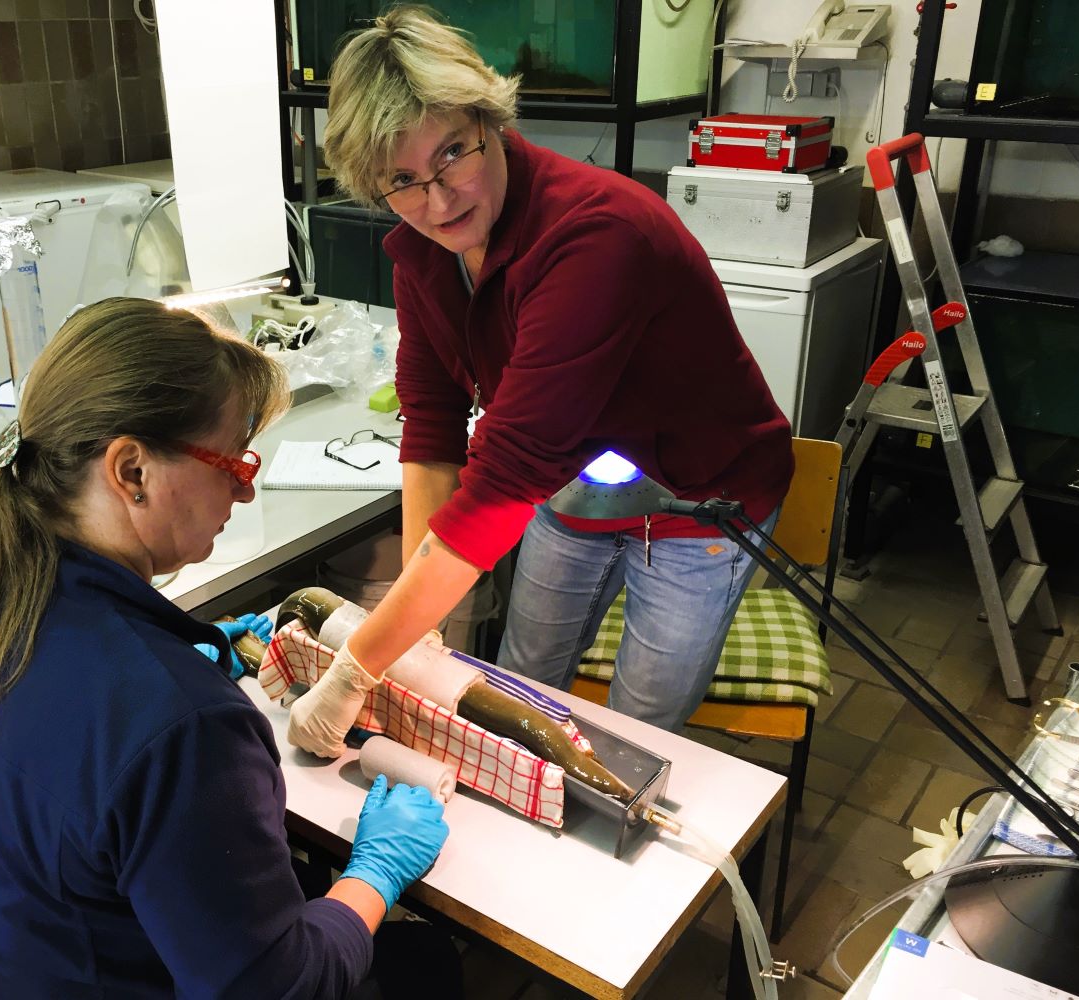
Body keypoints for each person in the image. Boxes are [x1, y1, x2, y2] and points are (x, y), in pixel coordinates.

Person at [0, 297, 451, 999]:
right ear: (131, 471)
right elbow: (280, 989)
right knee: (422, 965)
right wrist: (374, 872)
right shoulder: (183, 727)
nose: (244, 494)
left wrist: (185, 655)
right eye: (232, 463)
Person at [287, 7, 794, 757]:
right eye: (401, 180)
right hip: (579, 482)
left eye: (453, 153)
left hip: (699, 500)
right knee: (517, 689)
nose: (439, 200)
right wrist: (418, 627)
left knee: (633, 731)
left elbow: (507, 470)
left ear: (490, 119)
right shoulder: (423, 256)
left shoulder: (595, 235)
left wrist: (358, 667)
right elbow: (431, 432)